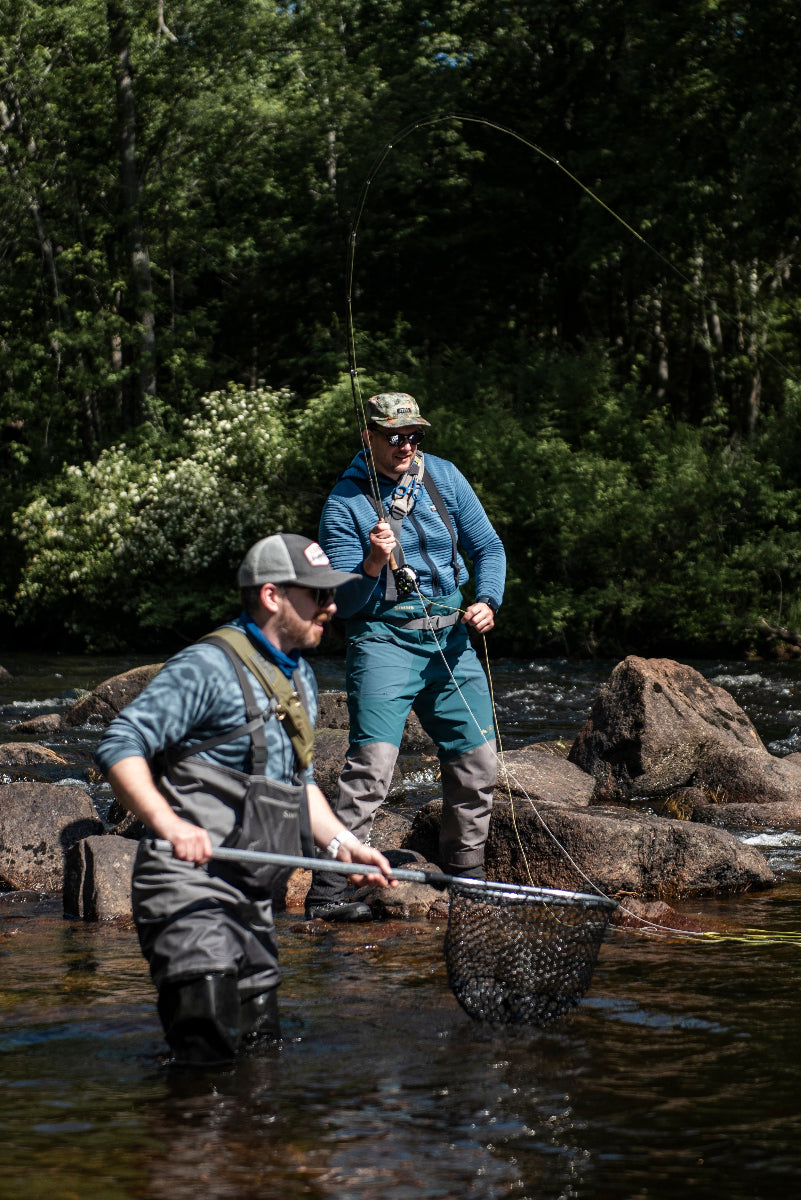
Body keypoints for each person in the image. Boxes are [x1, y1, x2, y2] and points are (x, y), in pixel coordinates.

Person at [95, 533, 395, 1066]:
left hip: (253, 901)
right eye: (318, 595)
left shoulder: (299, 676)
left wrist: (346, 844)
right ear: (273, 596)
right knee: (206, 1067)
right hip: (188, 893)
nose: (331, 607)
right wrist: (168, 824)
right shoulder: (206, 666)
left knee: (261, 1062)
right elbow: (121, 743)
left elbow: (296, 786)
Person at [305, 392, 506, 922]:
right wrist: (372, 559)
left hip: (452, 640)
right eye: (395, 437)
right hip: (383, 639)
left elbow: (488, 547)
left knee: (479, 762)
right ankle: (330, 892)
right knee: (371, 769)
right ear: (368, 437)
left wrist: (486, 600)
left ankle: (467, 878)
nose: (406, 446)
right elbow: (344, 602)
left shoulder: (443, 478)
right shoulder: (344, 503)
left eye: (415, 436)